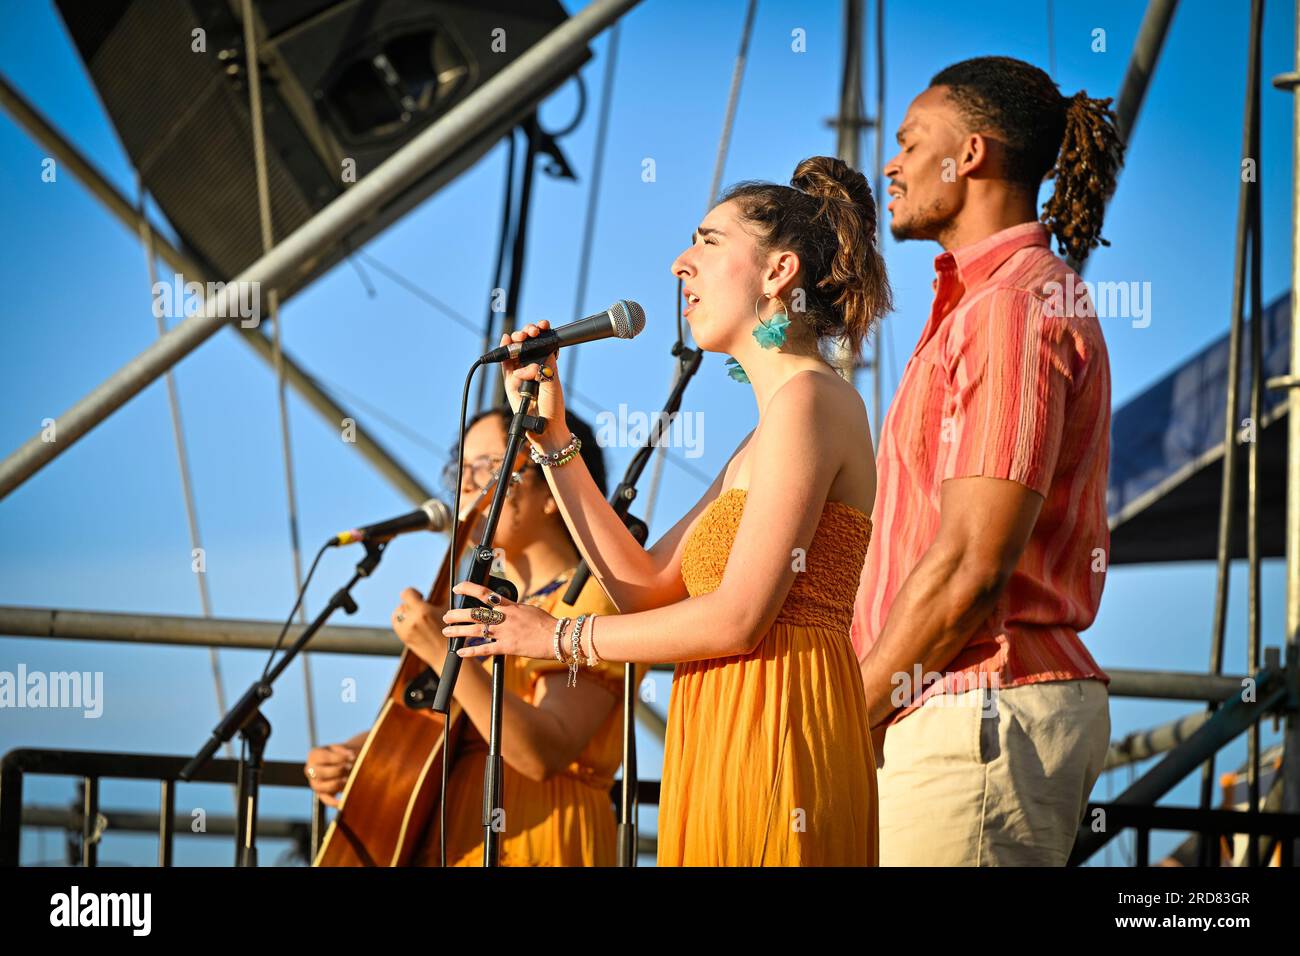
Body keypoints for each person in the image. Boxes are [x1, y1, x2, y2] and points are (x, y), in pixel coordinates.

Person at [444, 156, 891, 866]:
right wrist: (553, 436)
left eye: (708, 242)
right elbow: (645, 584)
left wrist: (560, 639)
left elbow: (740, 617)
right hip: (721, 719)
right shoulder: (767, 430)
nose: (681, 263)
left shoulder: (811, 402)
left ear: (778, 273)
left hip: (776, 720)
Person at [851, 55, 1124, 865]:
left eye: (908, 142)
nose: (890, 165)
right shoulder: (983, 305)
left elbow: (972, 563)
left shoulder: (1007, 308)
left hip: (975, 706)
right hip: (950, 708)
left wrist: (843, 713)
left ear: (970, 154)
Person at [305, 407, 633, 867]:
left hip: (543, 837)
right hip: (456, 840)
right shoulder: (481, 602)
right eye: (459, 468)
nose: (465, 484)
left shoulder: (591, 598)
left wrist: (442, 653)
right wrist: (351, 757)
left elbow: (543, 751)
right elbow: (440, 726)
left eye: (486, 468)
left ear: (551, 491)